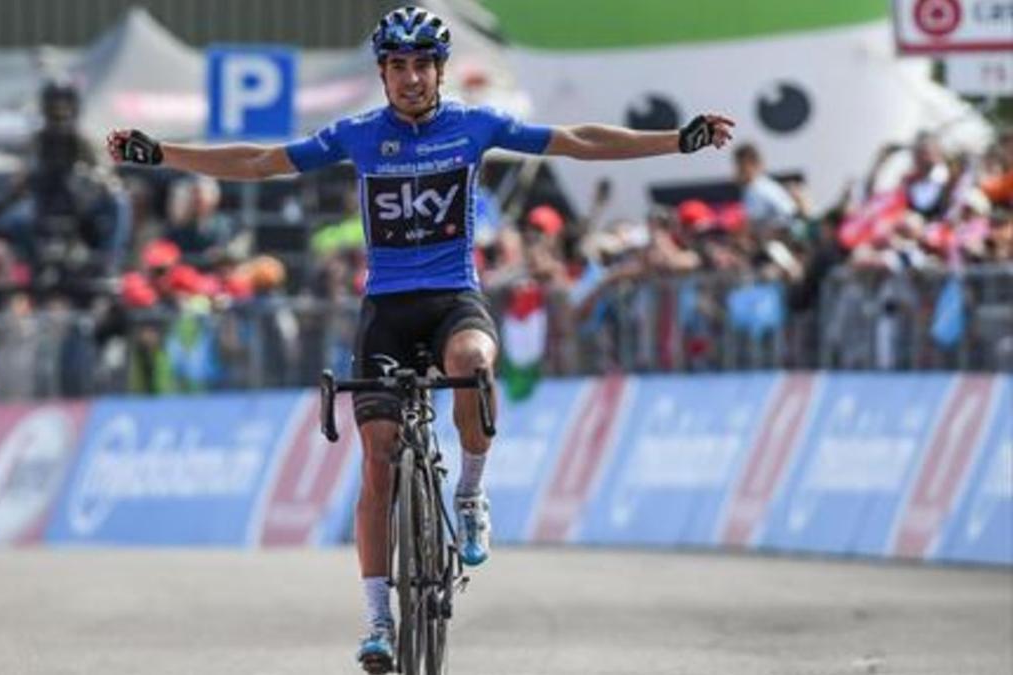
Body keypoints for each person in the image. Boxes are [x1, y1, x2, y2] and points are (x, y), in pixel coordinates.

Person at [107, 6, 733, 672]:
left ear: (439, 70)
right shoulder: (357, 134)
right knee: (376, 456)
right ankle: (378, 617)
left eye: (420, 66)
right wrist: (164, 153)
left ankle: (469, 490)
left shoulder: (474, 126)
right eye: (397, 66)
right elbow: (262, 160)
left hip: (452, 299)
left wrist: (678, 140)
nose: (409, 78)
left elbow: (576, 139)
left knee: (474, 364)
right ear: (383, 73)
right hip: (386, 309)